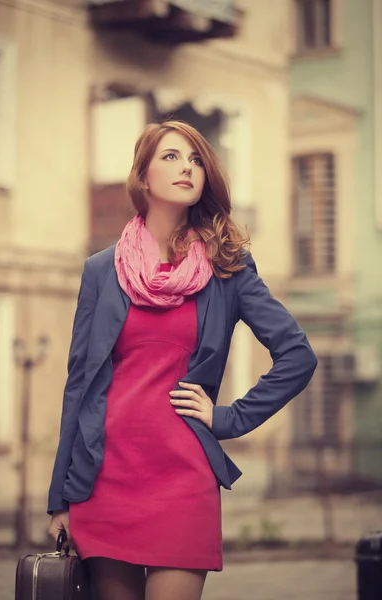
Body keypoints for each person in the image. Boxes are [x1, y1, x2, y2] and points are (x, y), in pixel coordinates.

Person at [48, 120, 318, 600]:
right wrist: (59, 500)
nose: (187, 167)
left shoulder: (228, 268)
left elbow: (297, 356)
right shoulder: (100, 271)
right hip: (105, 477)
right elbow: (79, 386)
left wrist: (229, 418)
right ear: (143, 177)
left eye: (195, 159)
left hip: (182, 478)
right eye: (172, 157)